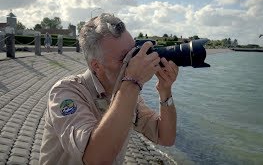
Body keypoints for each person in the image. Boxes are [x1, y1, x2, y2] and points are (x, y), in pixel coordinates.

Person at [39, 13, 178, 165]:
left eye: (134, 52)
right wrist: (132, 82)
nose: (134, 61)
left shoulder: (129, 95)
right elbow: (96, 159)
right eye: (125, 57)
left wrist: (165, 91)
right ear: (96, 66)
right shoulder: (65, 93)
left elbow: (165, 137)